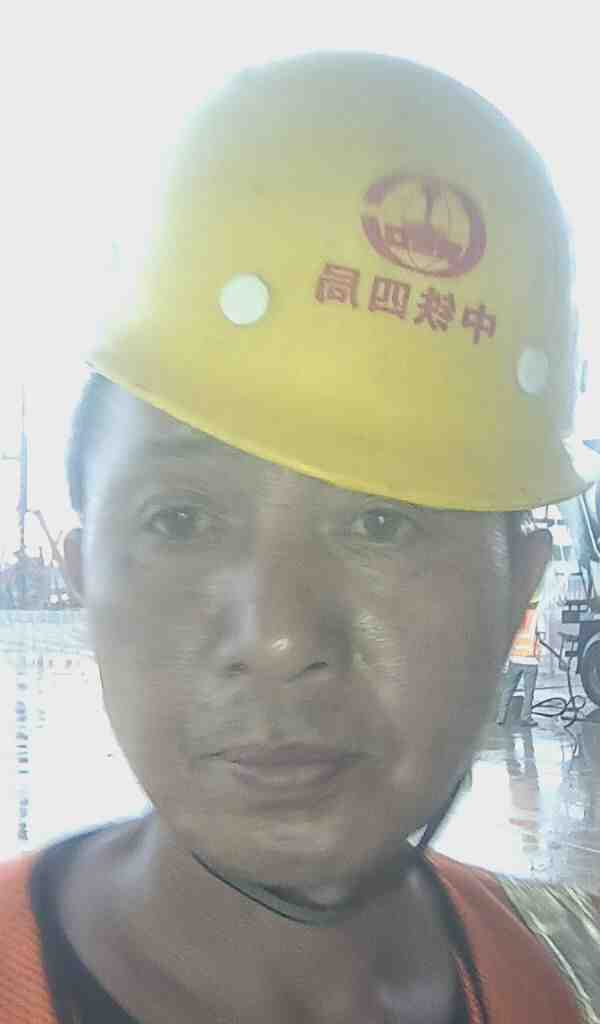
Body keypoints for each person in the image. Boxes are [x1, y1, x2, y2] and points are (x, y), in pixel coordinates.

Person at [1, 52, 599, 1024]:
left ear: (516, 591)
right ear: (84, 577)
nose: (278, 636)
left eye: (382, 521)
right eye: (181, 519)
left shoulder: (570, 979)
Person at [495, 589, 542, 728]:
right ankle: (525, 718)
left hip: (515, 658)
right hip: (531, 660)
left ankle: (500, 717)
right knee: (529, 692)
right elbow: (541, 636)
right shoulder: (537, 616)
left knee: (508, 689)